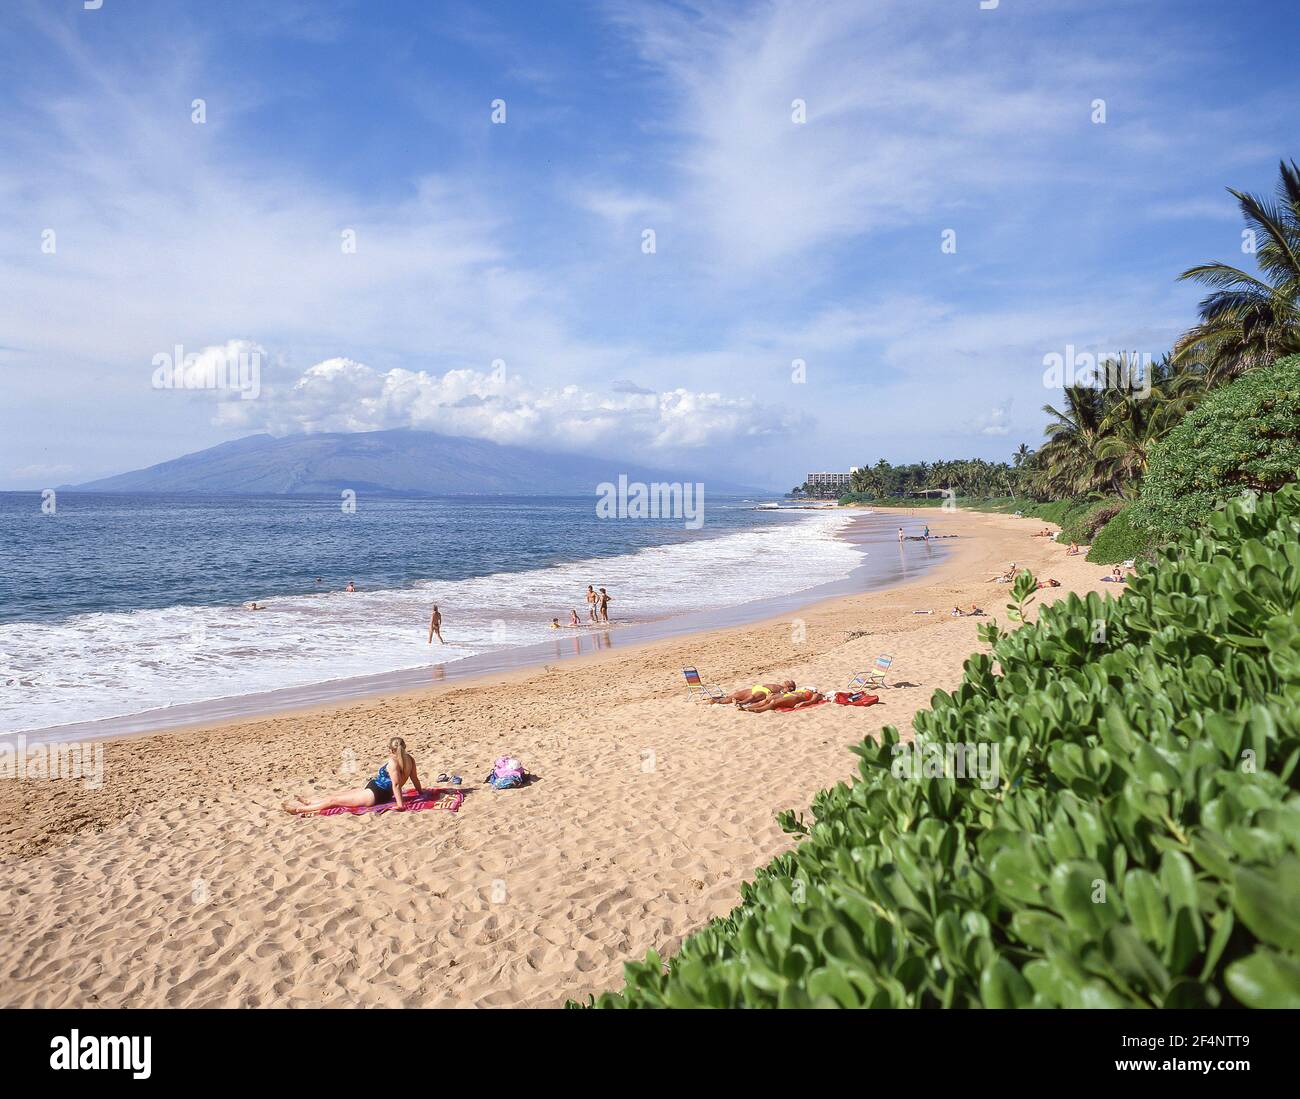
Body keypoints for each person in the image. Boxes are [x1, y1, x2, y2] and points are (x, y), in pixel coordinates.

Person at [283, 737, 422, 814]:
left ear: (390, 749)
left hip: (375, 794)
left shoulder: (393, 763)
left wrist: (400, 805)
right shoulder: (410, 759)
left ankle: (299, 809)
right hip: (374, 788)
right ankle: (310, 802)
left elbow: (396, 785)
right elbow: (414, 778)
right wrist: (421, 792)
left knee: (333, 801)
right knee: (336, 795)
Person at [707, 680, 796, 706]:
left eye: (789, 682)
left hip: (764, 692)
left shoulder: (786, 689)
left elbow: (782, 694)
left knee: (752, 698)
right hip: (758, 687)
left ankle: (739, 703)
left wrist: (783, 691)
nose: (787, 680)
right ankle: (717, 700)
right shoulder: (780, 685)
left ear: (790, 687)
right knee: (736, 695)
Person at [743, 688, 825, 713]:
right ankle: (747, 707)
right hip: (790, 695)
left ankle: (759, 710)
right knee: (767, 700)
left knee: (774, 703)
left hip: (796, 699)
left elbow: (812, 701)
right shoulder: (801, 691)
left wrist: (804, 703)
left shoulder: (816, 694)